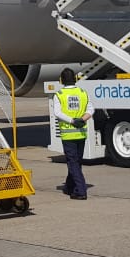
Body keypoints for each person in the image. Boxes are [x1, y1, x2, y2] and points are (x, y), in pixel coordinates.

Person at [53, 68, 92, 199]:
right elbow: (91, 109)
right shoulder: (82, 92)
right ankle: (70, 186)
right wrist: (82, 120)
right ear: (75, 79)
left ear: (61, 80)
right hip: (81, 133)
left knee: (73, 162)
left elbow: (57, 113)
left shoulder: (59, 94)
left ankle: (81, 191)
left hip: (68, 135)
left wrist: (72, 121)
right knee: (76, 162)